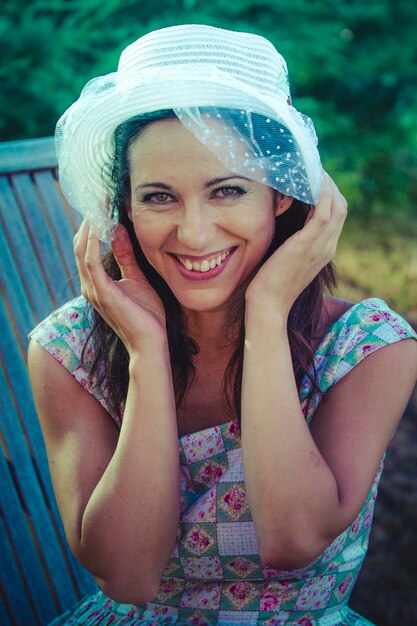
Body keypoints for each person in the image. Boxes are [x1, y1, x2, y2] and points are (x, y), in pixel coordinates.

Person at [28, 24, 417, 626]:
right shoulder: (68, 349)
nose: (195, 233)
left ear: (282, 197)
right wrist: (147, 354)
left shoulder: (368, 348)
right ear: (122, 209)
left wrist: (265, 316)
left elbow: (293, 540)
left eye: (228, 190)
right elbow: (128, 577)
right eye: (158, 197)